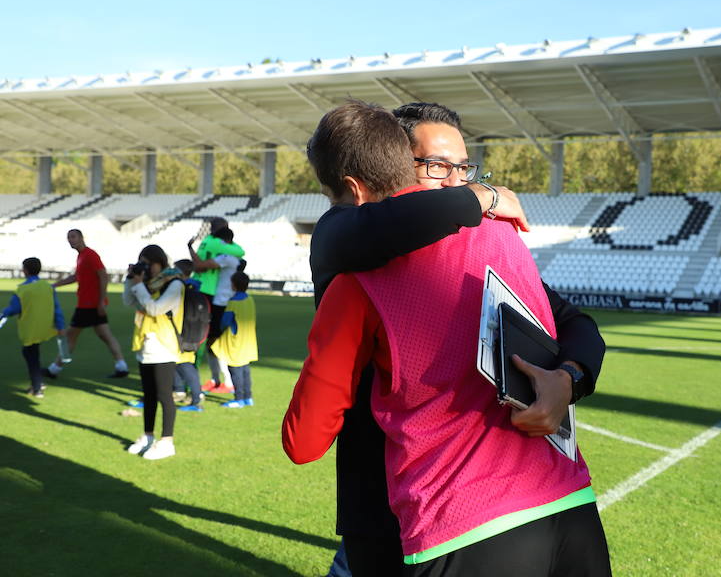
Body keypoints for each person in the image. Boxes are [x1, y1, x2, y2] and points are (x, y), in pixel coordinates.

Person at [284, 101, 611, 577]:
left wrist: (570, 377)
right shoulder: (349, 241)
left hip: (458, 513)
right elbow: (363, 223)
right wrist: (487, 198)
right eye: (438, 166)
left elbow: (575, 323)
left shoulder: (494, 244)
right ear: (397, 162)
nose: (456, 181)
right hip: (386, 503)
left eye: (465, 169)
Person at [122, 245, 185, 460]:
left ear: (161, 262)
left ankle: (167, 441)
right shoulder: (147, 284)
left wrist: (140, 286)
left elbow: (155, 309)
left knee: (164, 396)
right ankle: (148, 436)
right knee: (148, 395)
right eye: (143, 264)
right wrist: (131, 280)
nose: (147, 268)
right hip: (145, 344)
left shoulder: (174, 283)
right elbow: (129, 301)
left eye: (149, 264)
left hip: (164, 345)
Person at [46, 229, 128, 379]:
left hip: (89, 305)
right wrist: (54, 285)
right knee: (105, 335)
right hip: (90, 304)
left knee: (70, 336)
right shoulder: (81, 256)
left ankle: (54, 369)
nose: (70, 240)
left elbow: (103, 276)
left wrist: (101, 301)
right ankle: (121, 366)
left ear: (81, 237)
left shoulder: (90, 255)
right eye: (68, 237)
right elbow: (76, 277)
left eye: (73, 236)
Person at [188, 220, 244, 393]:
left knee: (215, 343)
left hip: (220, 303)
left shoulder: (227, 257)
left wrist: (190, 248)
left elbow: (200, 266)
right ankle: (217, 379)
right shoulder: (233, 258)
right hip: (223, 301)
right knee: (213, 343)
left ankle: (227, 382)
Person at [1, 257, 65, 398]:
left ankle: (37, 388)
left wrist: (2, 314)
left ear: (25, 270)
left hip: (30, 329)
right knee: (32, 353)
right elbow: (57, 308)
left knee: (31, 356)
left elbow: (13, 309)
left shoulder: (23, 289)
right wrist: (60, 326)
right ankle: (37, 383)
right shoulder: (48, 287)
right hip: (45, 328)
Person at [211, 271, 258, 408]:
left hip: (235, 342)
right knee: (245, 370)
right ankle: (248, 397)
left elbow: (225, 322)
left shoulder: (233, 302)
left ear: (233, 285)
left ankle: (239, 399)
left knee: (236, 371)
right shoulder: (250, 299)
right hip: (248, 340)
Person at [172, 259, 204, 412]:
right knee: (178, 363)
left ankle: (197, 399)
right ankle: (179, 390)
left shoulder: (183, 289)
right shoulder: (194, 288)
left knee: (185, 365)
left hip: (184, 334)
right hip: (192, 333)